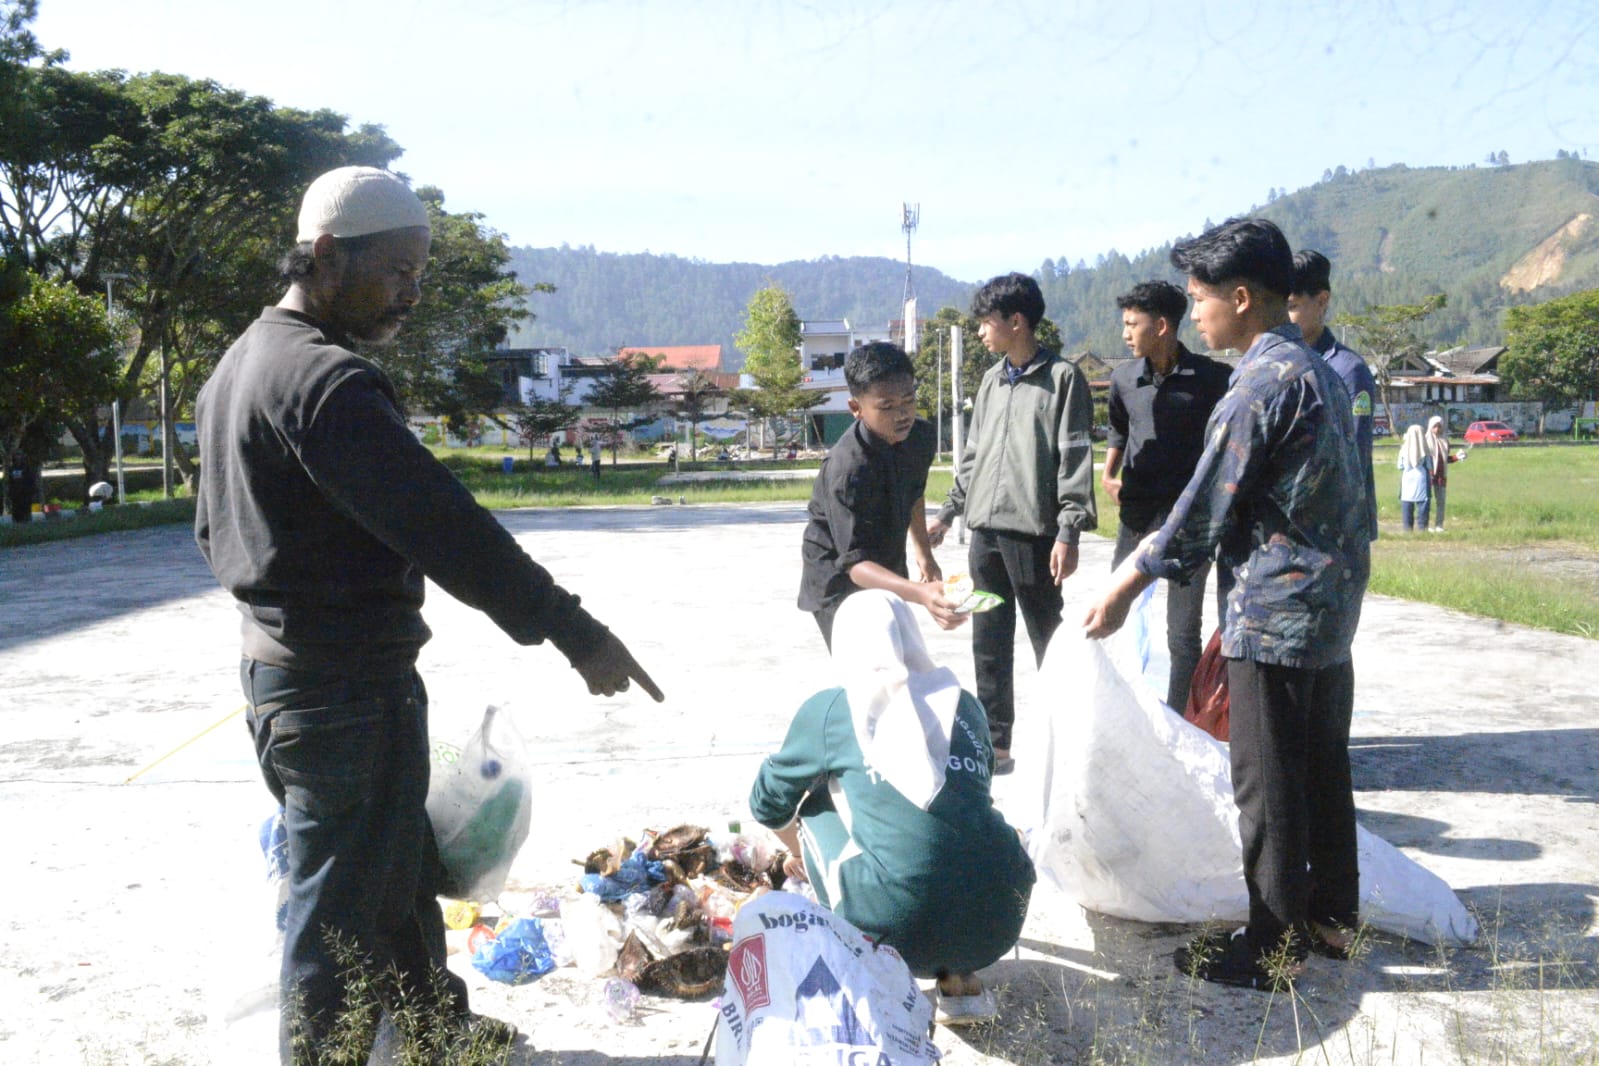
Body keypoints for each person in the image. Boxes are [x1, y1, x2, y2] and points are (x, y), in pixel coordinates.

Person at [193, 166, 664, 1063]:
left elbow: (211, 529)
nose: (411, 293)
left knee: (398, 868)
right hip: (340, 692)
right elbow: (451, 532)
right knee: (337, 914)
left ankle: (434, 1030)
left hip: (293, 679)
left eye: (419, 274)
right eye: (398, 271)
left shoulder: (242, 363)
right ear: (327, 255)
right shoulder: (325, 382)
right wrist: (577, 633)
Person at [1083, 218, 1371, 990]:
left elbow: (1203, 507)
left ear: (1240, 298)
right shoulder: (1318, 371)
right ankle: (1331, 915)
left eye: (1199, 297)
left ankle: (1273, 947)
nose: (1194, 312)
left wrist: (1125, 585)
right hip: (1329, 604)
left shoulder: (1256, 386)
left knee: (1265, 779)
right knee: (1319, 765)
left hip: (1275, 609)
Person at [749, 590, 1035, 1023]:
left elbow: (768, 803)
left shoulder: (833, 708)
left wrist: (797, 852)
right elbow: (973, 796)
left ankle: (864, 971)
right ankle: (960, 980)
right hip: (1001, 921)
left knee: (815, 807)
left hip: (901, 933)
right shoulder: (964, 704)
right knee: (959, 819)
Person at [927, 273, 1097, 773]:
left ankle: (1065, 740)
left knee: (1050, 641)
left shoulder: (1063, 379)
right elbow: (974, 455)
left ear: (1016, 321)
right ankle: (995, 745)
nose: (981, 332)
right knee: (989, 642)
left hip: (1035, 535)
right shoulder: (990, 381)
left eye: (986, 323)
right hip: (985, 533)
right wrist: (948, 513)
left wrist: (1068, 531)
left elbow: (1075, 459)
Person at [1102, 280, 1232, 711]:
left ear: (1161, 326)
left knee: (1182, 632)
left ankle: (1179, 717)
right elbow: (1119, 430)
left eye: (1132, 324)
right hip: (1137, 514)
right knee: (1118, 615)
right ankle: (1121, 711)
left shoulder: (1214, 379)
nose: (1125, 333)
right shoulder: (1123, 377)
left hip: (1190, 521)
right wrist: (1108, 473)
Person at [799, 342, 962, 647]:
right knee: (870, 665)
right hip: (838, 580)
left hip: (885, 562)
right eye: (886, 406)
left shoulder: (920, 436)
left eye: (909, 401)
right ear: (856, 409)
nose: (902, 414)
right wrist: (921, 593)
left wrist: (925, 555)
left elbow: (914, 492)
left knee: (901, 654)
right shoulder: (847, 469)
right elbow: (855, 564)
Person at [1288, 250, 1379, 541]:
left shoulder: (1348, 370)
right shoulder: (1280, 365)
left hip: (1333, 529)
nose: (1283, 318)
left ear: (1322, 300)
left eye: (1292, 306)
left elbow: (1354, 458)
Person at [1425, 415, 1462, 531]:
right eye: (1434, 426)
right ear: (1430, 427)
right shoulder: (1425, 440)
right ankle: (1425, 526)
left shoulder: (1444, 441)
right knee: (1426, 501)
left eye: (1439, 427)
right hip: (1428, 476)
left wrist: (1457, 457)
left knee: (1441, 501)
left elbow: (1445, 459)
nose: (1437, 429)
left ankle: (1439, 525)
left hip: (1441, 476)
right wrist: (1429, 471)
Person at [1398, 423, 1432, 532]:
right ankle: (1422, 528)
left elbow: (1400, 466)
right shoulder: (1425, 450)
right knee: (1423, 504)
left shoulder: (1403, 449)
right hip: (1422, 479)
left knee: (1407, 503)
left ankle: (1407, 528)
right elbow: (1429, 466)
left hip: (1407, 480)